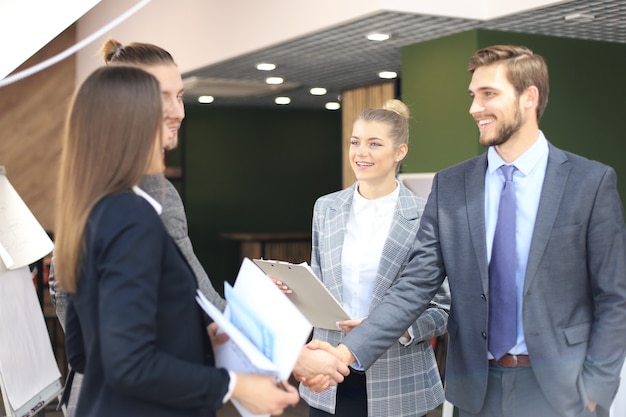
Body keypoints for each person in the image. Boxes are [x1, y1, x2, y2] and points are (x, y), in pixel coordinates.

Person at [305, 44, 626, 417]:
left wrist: (596, 390)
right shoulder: (452, 185)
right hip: (476, 391)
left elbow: (614, 298)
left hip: (564, 393)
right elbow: (413, 287)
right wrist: (344, 353)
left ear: (529, 97)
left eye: (489, 94)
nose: (475, 108)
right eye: (473, 96)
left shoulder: (589, 182)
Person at [54, 64, 299, 417]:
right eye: (160, 103)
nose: (174, 113)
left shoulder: (93, 212)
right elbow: (130, 364)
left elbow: (82, 350)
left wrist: (200, 342)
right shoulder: (131, 218)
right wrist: (236, 384)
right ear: (131, 121)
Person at [48, 38, 226, 416]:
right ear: (126, 105)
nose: (178, 111)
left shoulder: (88, 193)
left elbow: (74, 322)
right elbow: (200, 299)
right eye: (161, 96)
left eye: (180, 96)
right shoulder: (140, 206)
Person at [294, 99, 450, 417]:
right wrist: (295, 290)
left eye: (374, 144)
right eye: (355, 142)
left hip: (398, 381)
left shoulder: (426, 215)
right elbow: (322, 288)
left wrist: (393, 327)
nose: (361, 153)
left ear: (400, 151)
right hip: (328, 378)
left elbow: (442, 310)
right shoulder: (326, 208)